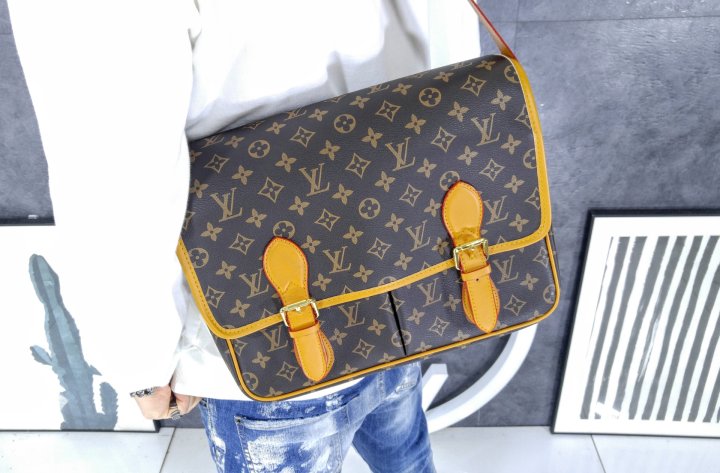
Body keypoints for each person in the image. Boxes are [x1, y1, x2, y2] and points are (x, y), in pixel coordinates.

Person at [9, 0, 480, 471]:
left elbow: (117, 169)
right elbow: (450, 42)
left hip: (270, 327)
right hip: (398, 274)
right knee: (408, 459)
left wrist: (140, 362)